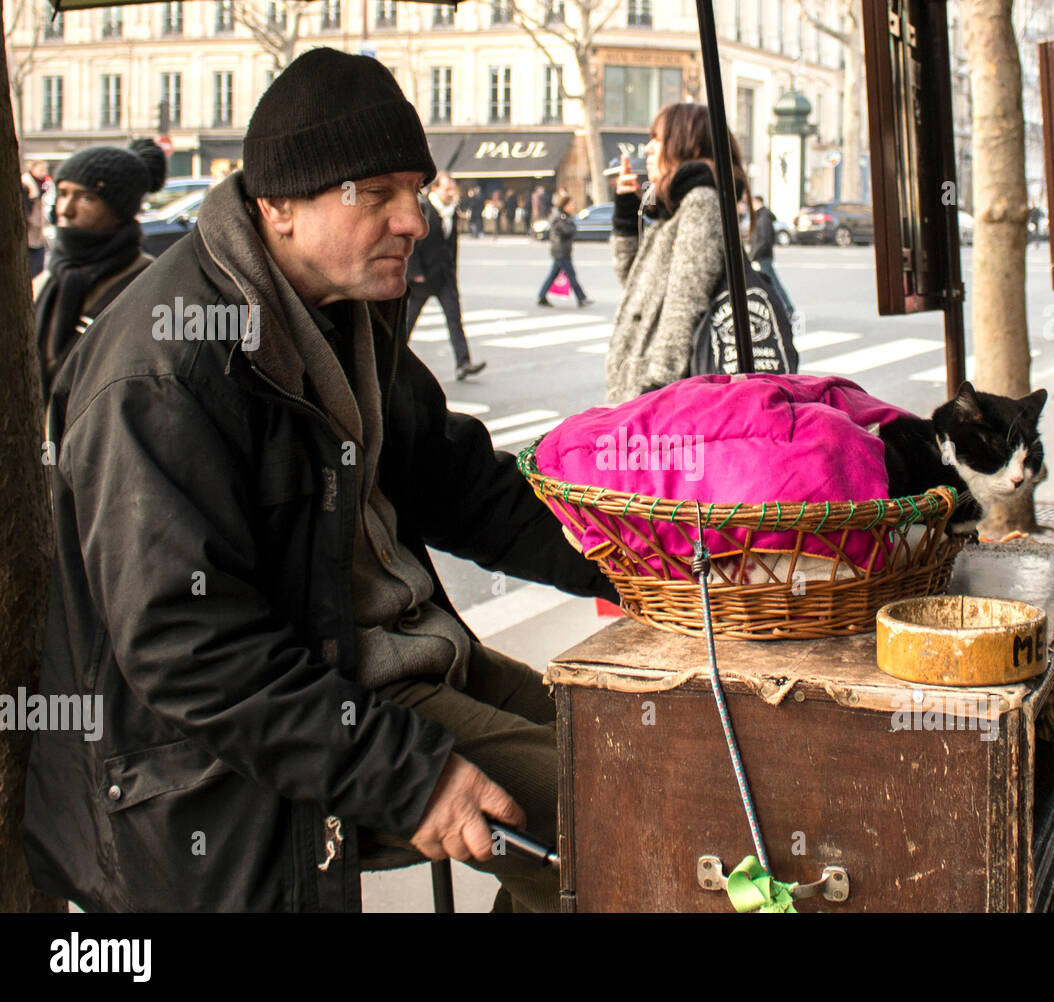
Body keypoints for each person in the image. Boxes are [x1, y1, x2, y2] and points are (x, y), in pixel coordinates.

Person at [22, 47, 616, 914]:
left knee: (641, 751)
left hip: (388, 665)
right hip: (241, 749)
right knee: (613, 814)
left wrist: (648, 563)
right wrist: (408, 774)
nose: (415, 219)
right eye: (376, 196)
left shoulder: (342, 307)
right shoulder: (166, 368)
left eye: (415, 189)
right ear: (280, 207)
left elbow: (461, 483)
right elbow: (190, 651)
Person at [605, 101, 743, 403]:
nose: (649, 148)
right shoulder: (674, 209)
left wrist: (656, 388)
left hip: (656, 395)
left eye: (658, 138)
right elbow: (635, 283)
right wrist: (627, 213)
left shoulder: (700, 202)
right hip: (639, 387)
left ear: (685, 144)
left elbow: (684, 304)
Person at [33, 139, 166, 400]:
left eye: (86, 198)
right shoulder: (46, 281)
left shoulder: (150, 286)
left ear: (120, 210)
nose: (65, 210)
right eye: (62, 193)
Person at [406, 172, 485, 381]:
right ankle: (392, 359)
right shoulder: (424, 208)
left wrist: (452, 274)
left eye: (453, 189)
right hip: (422, 279)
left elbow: (451, 247)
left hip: (444, 277)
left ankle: (463, 363)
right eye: (447, 189)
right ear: (435, 189)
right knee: (407, 323)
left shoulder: (451, 212)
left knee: (454, 320)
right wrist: (415, 273)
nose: (451, 193)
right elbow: (411, 243)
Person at [536, 193, 592, 308]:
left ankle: (542, 296)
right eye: (571, 205)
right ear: (565, 206)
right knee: (571, 276)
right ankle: (581, 298)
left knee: (553, 275)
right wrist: (572, 224)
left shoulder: (563, 217)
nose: (572, 207)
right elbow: (567, 231)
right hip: (561, 252)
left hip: (562, 251)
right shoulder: (560, 218)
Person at [749, 194, 794, 315]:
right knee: (770, 283)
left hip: (763, 256)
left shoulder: (763, 218)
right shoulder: (762, 217)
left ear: (757, 202)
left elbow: (763, 240)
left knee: (772, 283)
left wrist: (752, 255)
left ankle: (786, 307)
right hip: (763, 256)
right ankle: (784, 307)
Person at [21, 159, 50, 277]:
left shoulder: (40, 184)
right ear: (33, 170)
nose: (44, 172)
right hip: (30, 229)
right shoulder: (26, 184)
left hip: (37, 230)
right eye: (41, 169)